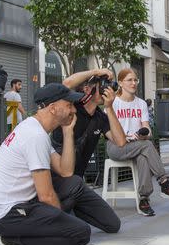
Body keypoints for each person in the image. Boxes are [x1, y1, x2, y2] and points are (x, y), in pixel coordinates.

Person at [0, 83, 89, 245]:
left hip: (12, 206)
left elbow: (66, 171)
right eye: (69, 104)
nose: (74, 109)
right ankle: (5, 243)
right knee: (79, 233)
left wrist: (68, 132)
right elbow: (46, 195)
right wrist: (59, 226)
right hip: (5, 214)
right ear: (53, 108)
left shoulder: (35, 129)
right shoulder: (35, 136)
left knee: (72, 186)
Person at [48, 68, 126, 232]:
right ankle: (60, 215)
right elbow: (66, 84)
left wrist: (109, 108)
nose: (107, 89)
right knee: (76, 226)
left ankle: (72, 211)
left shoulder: (100, 117)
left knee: (113, 225)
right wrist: (97, 71)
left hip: (77, 184)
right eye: (102, 85)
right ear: (87, 89)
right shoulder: (72, 107)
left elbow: (120, 141)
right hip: (57, 181)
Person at [107, 68, 169, 216]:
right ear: (120, 83)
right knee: (146, 146)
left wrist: (143, 134)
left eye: (135, 80)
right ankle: (164, 183)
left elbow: (147, 129)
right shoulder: (113, 103)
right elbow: (108, 132)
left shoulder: (141, 104)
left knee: (143, 156)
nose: (134, 83)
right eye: (129, 80)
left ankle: (144, 199)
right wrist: (126, 137)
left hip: (137, 145)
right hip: (116, 146)